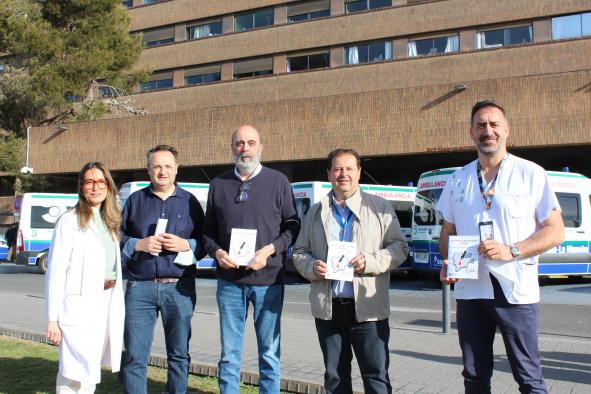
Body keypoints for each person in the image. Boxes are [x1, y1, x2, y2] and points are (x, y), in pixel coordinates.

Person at [438, 100, 565, 394]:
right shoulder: (458, 180)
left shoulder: (531, 173)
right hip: (471, 292)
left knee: (528, 377)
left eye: (494, 124)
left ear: (506, 130)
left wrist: (513, 250)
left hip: (515, 291)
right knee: (474, 377)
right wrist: (449, 260)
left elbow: (556, 230)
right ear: (471, 132)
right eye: (481, 125)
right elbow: (447, 234)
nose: (488, 131)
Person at [293, 148, 409, 394]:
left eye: (348, 168)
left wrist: (370, 261)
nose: (342, 174)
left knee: (376, 377)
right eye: (337, 169)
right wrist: (312, 267)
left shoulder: (380, 207)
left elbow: (399, 248)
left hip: (368, 310)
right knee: (335, 379)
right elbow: (299, 252)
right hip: (329, 309)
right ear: (329, 174)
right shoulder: (315, 211)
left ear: (359, 173)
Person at [203, 125, 301, 393]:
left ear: (261, 147)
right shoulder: (218, 184)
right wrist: (217, 252)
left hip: (268, 281)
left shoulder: (278, 181)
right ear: (232, 147)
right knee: (229, 355)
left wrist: (270, 250)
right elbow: (207, 232)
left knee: (269, 353)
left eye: (250, 143)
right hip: (229, 283)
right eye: (239, 143)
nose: (245, 148)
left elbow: (292, 225)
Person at [120, 145, 205, 394]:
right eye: (156, 166)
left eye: (168, 166)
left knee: (179, 355)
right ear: (148, 170)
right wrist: (138, 244)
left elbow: (206, 240)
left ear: (176, 169)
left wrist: (186, 244)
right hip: (140, 288)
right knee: (135, 355)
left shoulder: (190, 202)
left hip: (179, 288)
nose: (162, 171)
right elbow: (117, 234)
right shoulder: (136, 200)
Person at [45, 162, 125, 393]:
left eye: (101, 182)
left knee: (89, 366)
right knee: (72, 370)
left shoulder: (109, 221)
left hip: (105, 300)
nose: (95, 187)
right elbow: (56, 272)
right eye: (89, 182)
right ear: (81, 187)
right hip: (79, 305)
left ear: (108, 187)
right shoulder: (69, 221)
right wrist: (53, 319)